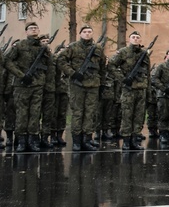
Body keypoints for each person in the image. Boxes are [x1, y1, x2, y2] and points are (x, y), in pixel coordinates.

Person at [58, 25, 106, 152]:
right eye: (84, 32)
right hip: (77, 85)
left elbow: (102, 67)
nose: (87, 34)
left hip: (93, 85)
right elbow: (60, 60)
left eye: (89, 32)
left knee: (90, 113)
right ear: (80, 33)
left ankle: (87, 139)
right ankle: (77, 141)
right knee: (78, 113)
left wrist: (102, 84)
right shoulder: (73, 47)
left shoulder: (98, 48)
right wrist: (72, 73)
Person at [4, 22, 48, 152]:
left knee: (35, 113)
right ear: (26, 31)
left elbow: (49, 66)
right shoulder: (19, 46)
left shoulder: (42, 47)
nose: (33, 29)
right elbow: (7, 61)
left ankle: (32, 140)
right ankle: (21, 141)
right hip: (21, 85)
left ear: (39, 30)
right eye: (31, 28)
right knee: (22, 113)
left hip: (37, 85)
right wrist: (21, 75)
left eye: (35, 28)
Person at [109, 31, 150, 150]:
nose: (136, 39)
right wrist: (122, 79)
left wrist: (148, 90)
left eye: (138, 37)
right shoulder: (123, 52)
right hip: (128, 89)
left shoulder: (144, 54)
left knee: (139, 116)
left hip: (141, 88)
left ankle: (134, 139)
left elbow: (147, 73)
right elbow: (111, 65)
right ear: (129, 39)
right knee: (127, 115)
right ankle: (126, 141)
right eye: (133, 37)